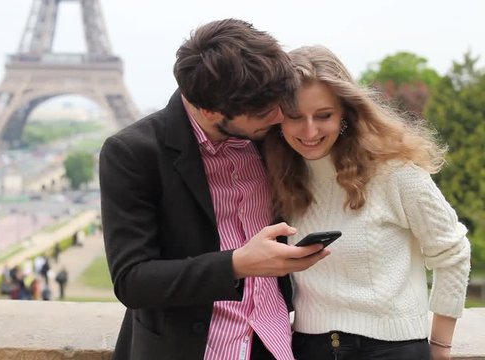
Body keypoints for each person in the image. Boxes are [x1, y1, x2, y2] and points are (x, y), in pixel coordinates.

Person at [99, 19, 329, 360]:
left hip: (275, 343)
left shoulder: (273, 138)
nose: (281, 116)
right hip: (191, 349)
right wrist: (236, 264)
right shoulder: (132, 152)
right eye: (265, 111)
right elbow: (132, 280)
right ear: (209, 110)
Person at [264, 45, 472, 360]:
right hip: (309, 347)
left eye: (324, 115)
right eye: (295, 117)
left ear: (346, 111)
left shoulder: (395, 172)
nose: (309, 131)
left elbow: (452, 251)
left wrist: (441, 347)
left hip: (395, 349)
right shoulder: (276, 175)